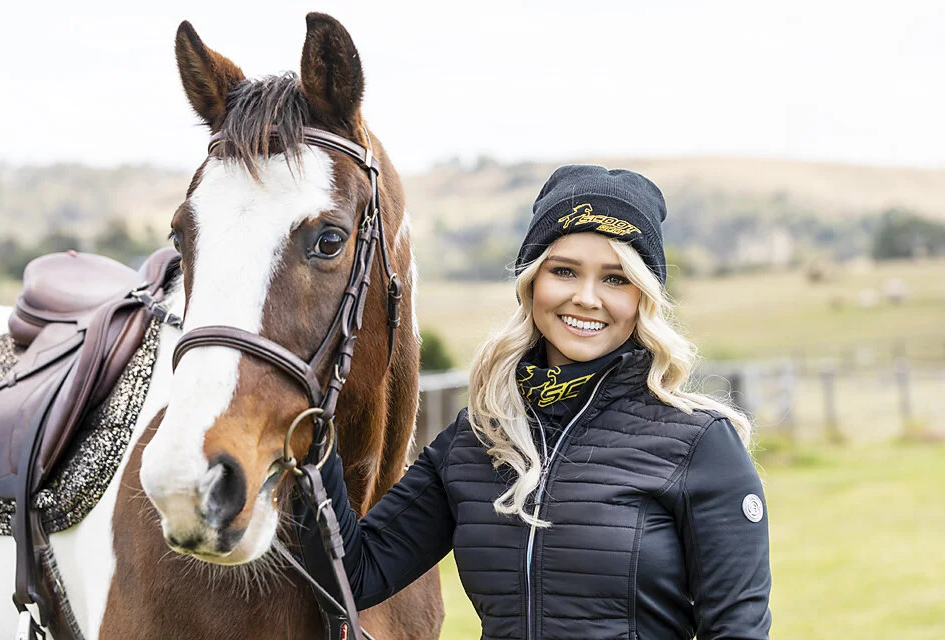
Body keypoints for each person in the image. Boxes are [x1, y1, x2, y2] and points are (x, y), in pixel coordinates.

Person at [312, 165, 772, 639]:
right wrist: (314, 429)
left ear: (643, 296)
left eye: (616, 279)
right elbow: (354, 573)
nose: (586, 297)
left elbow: (737, 629)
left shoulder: (700, 444)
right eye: (564, 271)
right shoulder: (476, 441)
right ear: (532, 282)